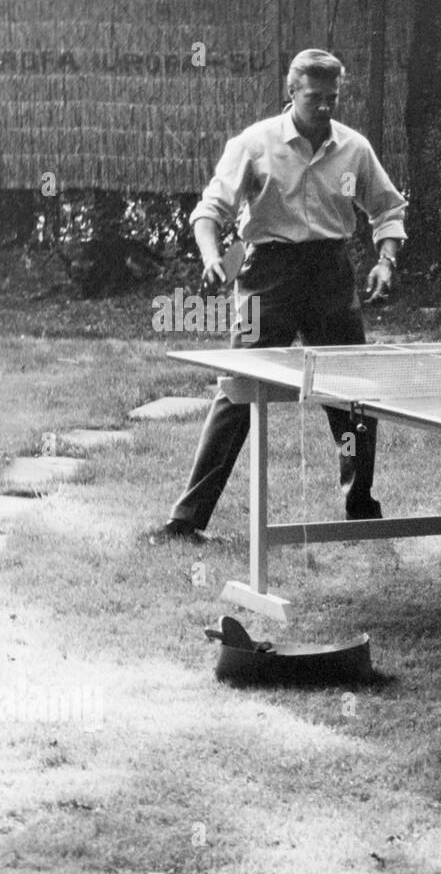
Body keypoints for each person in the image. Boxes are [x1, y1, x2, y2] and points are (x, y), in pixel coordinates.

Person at [150, 49, 406, 543]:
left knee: (352, 398)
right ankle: (185, 519)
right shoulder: (254, 143)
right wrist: (210, 259)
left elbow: (387, 209)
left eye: (333, 98)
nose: (326, 107)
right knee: (238, 391)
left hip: (330, 273)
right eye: (316, 98)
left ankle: (360, 509)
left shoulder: (354, 148)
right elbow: (210, 212)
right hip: (266, 274)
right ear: (292, 92)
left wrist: (385, 259)